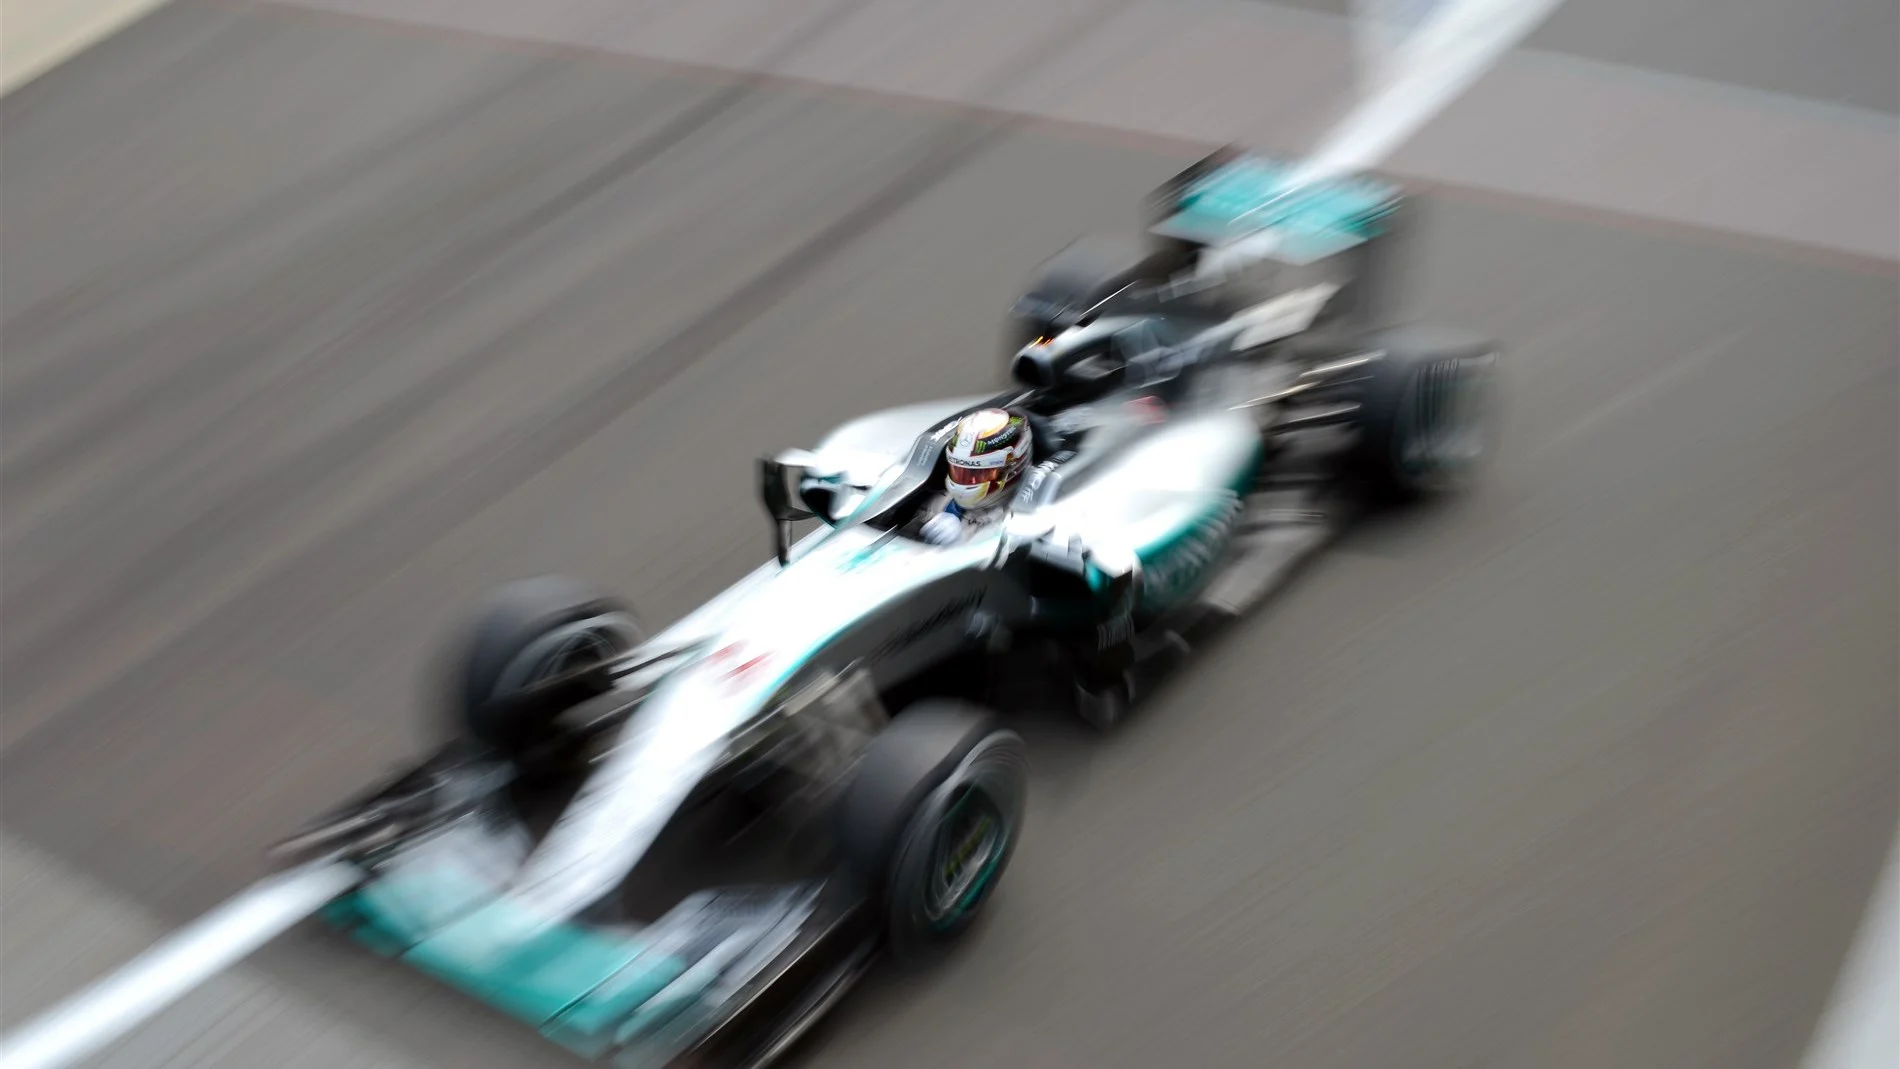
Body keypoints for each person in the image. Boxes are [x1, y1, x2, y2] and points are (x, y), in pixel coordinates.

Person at [918, 407, 1034, 546]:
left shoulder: (1020, 519)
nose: (964, 482)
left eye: (978, 473)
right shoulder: (937, 503)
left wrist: (959, 549)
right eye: (959, 470)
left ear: (1012, 468)